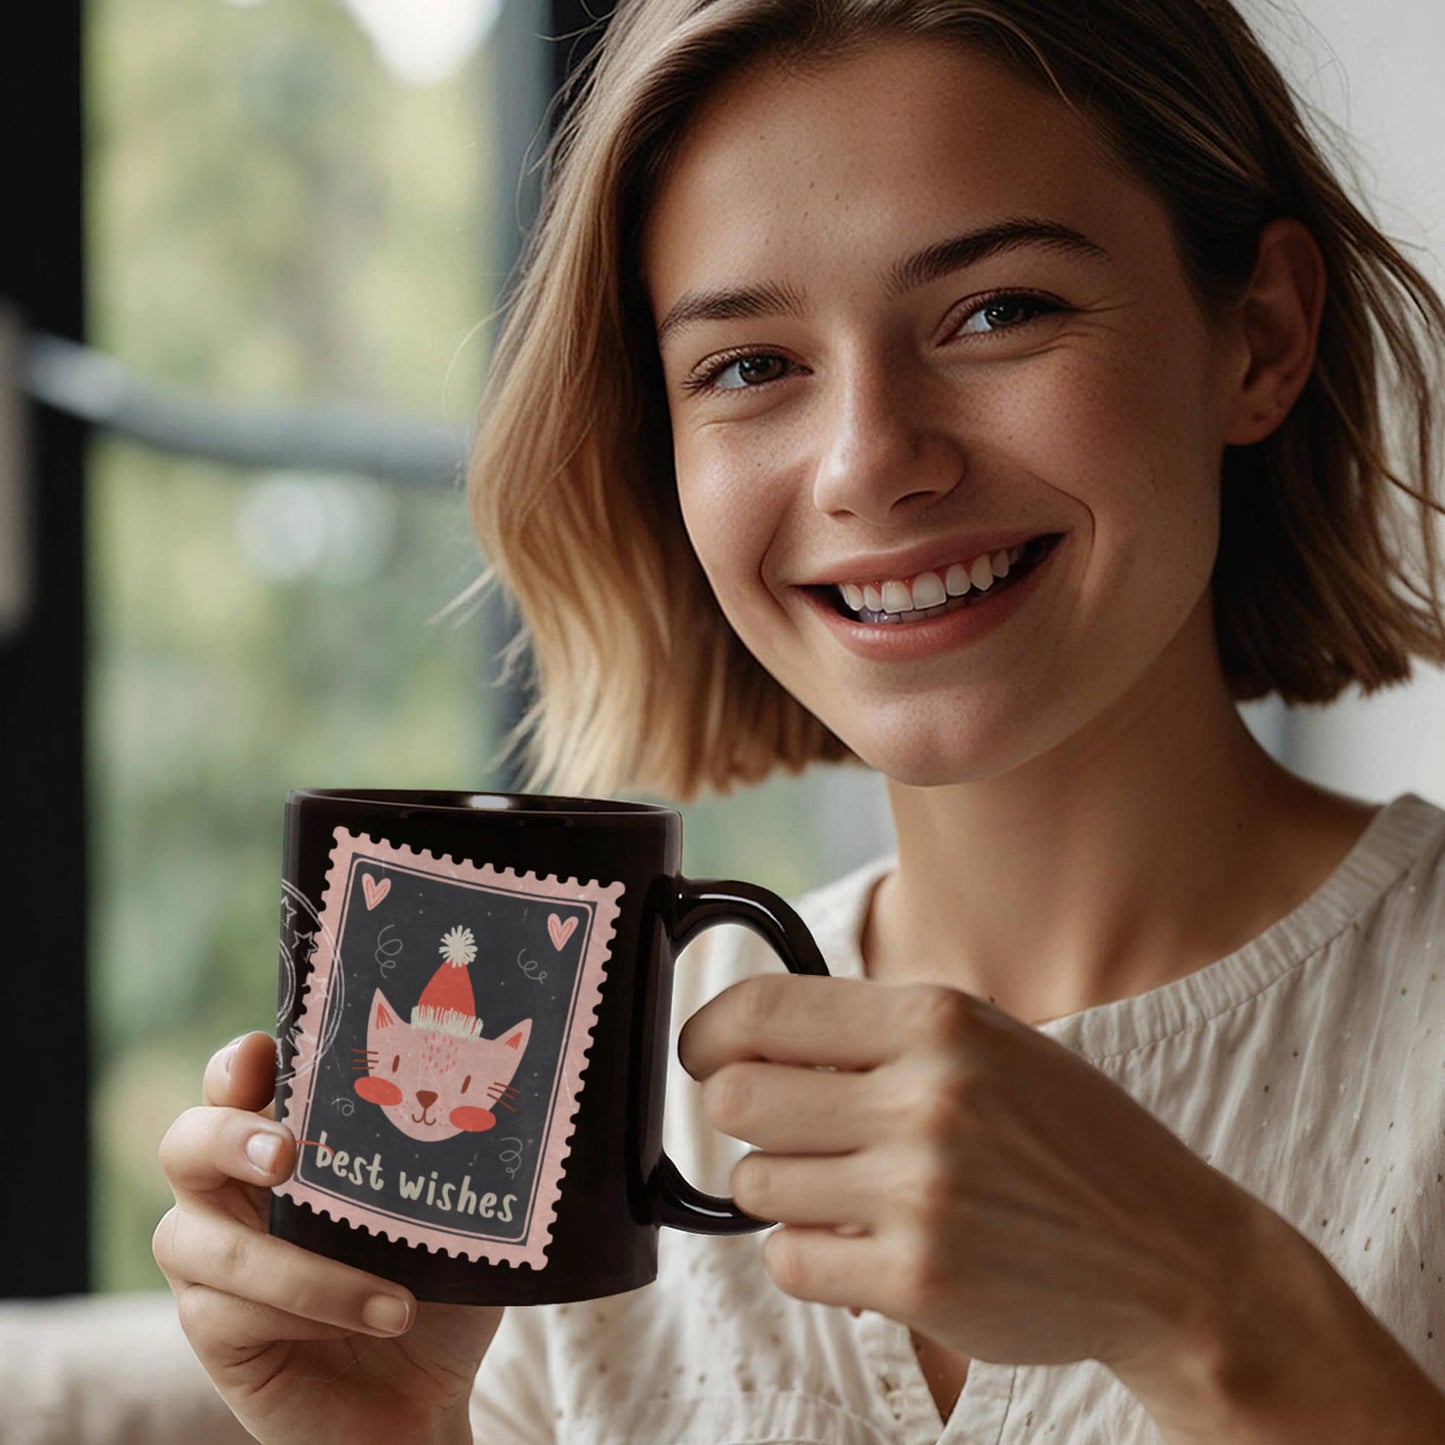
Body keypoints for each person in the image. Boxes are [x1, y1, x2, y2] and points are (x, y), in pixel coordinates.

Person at [153, 1, 1445, 1440]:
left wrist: (1209, 1304)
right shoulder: (600, 1105)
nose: (866, 464)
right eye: (750, 365)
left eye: (995, 310)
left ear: (1259, 337)